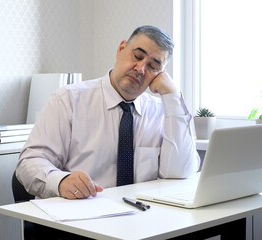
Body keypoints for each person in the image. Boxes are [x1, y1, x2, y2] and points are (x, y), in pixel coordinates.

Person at [16, 25, 200, 201]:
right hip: (80, 216)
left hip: (140, 220)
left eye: (153, 66)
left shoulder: (161, 112)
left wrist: (173, 97)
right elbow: (29, 163)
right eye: (137, 56)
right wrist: (60, 181)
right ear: (121, 49)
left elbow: (181, 172)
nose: (140, 69)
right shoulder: (68, 100)